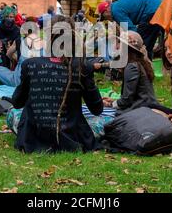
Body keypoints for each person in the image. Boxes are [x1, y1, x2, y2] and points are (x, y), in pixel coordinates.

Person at [10, 15, 104, 153]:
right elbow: (97, 109)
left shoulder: (30, 64)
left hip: (33, 137)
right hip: (71, 135)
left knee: (12, 113)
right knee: (106, 121)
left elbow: (17, 103)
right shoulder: (83, 66)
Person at [101, 31, 169, 116]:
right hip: (144, 105)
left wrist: (111, 104)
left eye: (119, 43)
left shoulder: (132, 67)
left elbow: (127, 100)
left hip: (141, 109)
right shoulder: (139, 63)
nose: (116, 46)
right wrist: (114, 101)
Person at [98, 0, 162, 59]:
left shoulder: (115, 12)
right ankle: (147, 65)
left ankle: (142, 66)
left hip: (151, 11)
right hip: (157, 7)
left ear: (106, 11)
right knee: (148, 44)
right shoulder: (117, 6)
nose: (106, 19)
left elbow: (132, 30)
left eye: (104, 17)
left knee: (141, 45)